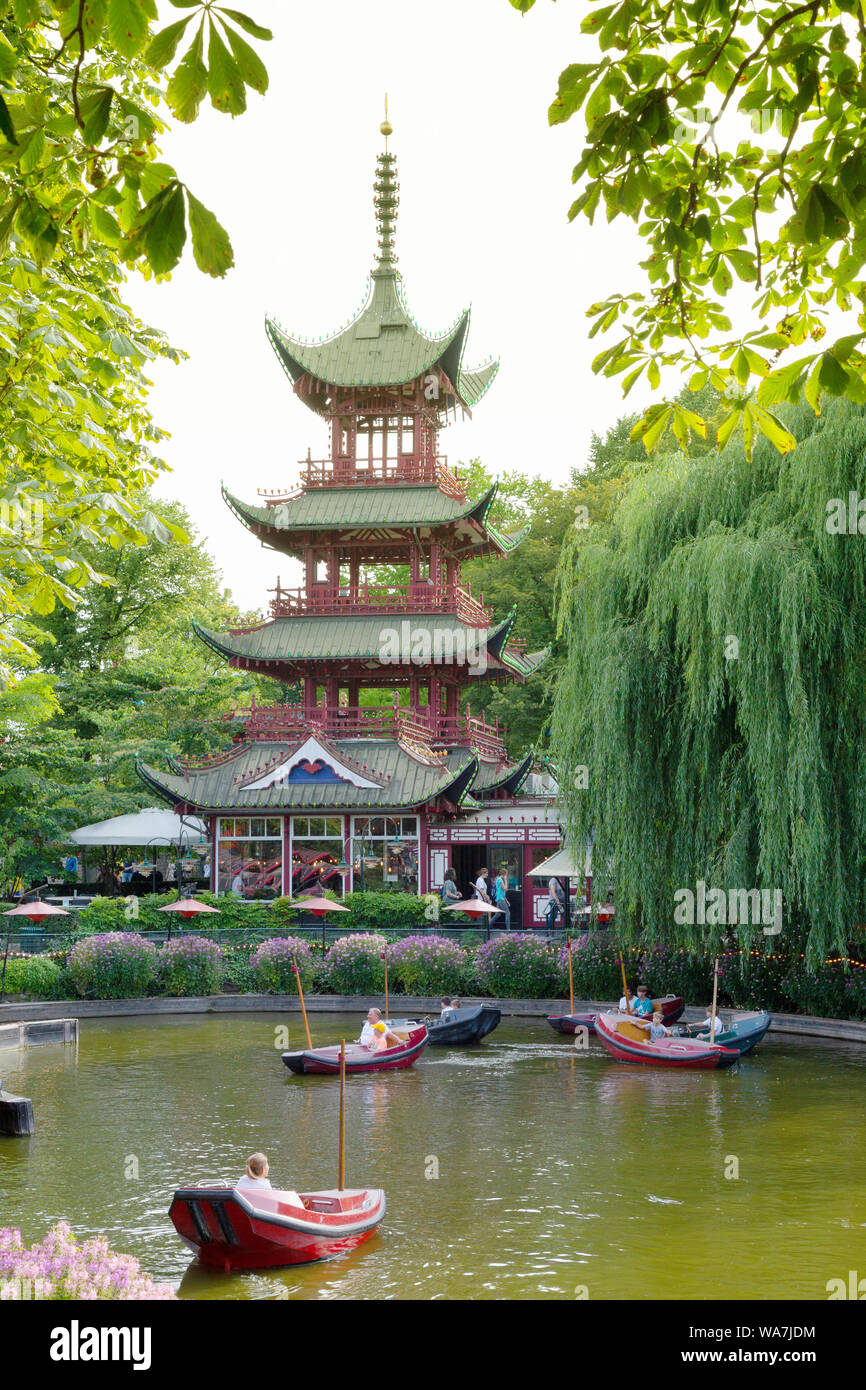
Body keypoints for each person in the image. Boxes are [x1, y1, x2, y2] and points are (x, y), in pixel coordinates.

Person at [236, 1152, 303, 1208]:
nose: (269, 1167)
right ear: (263, 1169)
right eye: (267, 1165)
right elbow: (272, 1203)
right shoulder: (264, 1184)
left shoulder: (242, 1180)